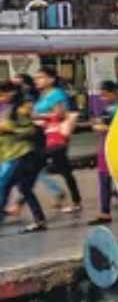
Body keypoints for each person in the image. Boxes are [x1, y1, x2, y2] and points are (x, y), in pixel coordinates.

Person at [0, 81, 48, 232]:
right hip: (12, 154)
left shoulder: (19, 110)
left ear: (10, 93)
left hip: (23, 154)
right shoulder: (7, 110)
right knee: (24, 188)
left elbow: (31, 131)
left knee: (5, 185)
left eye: (2, 94)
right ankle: (40, 221)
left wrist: (11, 130)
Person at [31, 67, 81, 213]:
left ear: (51, 79)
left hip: (56, 137)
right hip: (45, 138)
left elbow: (59, 114)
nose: (37, 80)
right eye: (37, 77)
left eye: (41, 77)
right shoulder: (42, 95)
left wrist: (38, 117)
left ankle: (20, 204)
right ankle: (75, 200)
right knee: (64, 170)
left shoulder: (56, 94)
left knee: (36, 167)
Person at [89, 80, 118, 224]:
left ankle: (105, 212)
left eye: (105, 95)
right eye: (101, 96)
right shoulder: (115, 108)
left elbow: (104, 128)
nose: (103, 99)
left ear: (114, 93)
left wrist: (97, 126)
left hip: (110, 147)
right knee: (108, 179)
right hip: (110, 147)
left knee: (105, 180)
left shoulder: (113, 109)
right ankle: (106, 210)